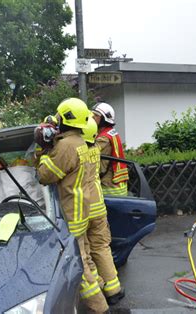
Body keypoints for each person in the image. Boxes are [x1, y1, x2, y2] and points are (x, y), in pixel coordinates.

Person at [36, 98, 109, 313]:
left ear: (65, 117)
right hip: (81, 210)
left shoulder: (67, 146)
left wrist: (42, 153)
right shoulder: (79, 142)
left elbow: (45, 176)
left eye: (59, 115)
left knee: (80, 265)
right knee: (86, 255)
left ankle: (99, 307)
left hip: (71, 214)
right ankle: (102, 287)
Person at [82, 116, 125, 305]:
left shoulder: (72, 151)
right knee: (101, 248)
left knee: (84, 252)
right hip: (100, 205)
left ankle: (97, 292)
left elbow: (49, 175)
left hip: (81, 211)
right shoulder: (104, 140)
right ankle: (114, 290)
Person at [92, 102, 129, 196]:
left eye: (96, 115)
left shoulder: (103, 139)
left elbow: (98, 166)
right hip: (118, 185)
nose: (92, 117)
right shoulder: (110, 132)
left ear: (104, 119)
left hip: (109, 188)